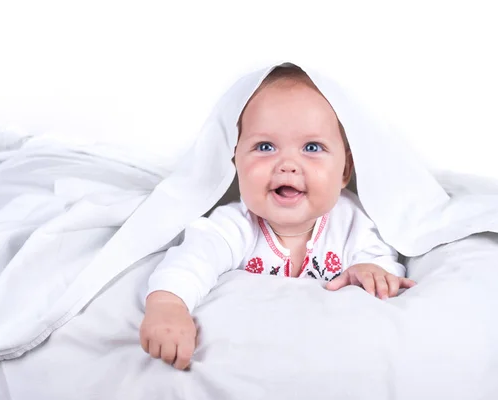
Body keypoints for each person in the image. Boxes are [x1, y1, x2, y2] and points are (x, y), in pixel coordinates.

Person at [139, 65, 416, 370]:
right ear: (235, 162)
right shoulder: (233, 226)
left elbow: (383, 263)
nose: (287, 164)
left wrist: (370, 269)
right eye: (265, 147)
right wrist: (168, 305)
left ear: (345, 170)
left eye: (312, 148)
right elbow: (191, 261)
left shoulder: (353, 222)